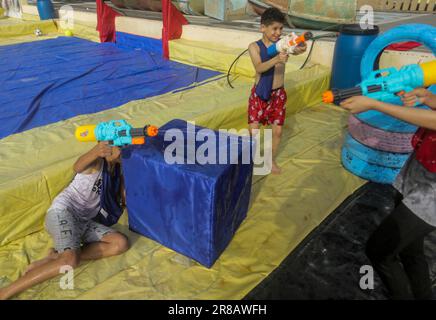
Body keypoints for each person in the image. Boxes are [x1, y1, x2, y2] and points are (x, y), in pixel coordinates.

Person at [0, 141, 129, 300]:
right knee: (69, 261)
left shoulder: (118, 171)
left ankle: (54, 257)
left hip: (83, 220)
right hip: (62, 212)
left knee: (120, 243)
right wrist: (96, 151)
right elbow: (78, 166)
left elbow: (124, 198)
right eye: (122, 146)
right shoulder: (96, 162)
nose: (125, 150)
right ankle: (6, 291)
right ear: (108, 147)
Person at [340, 88, 436, 299]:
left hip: (430, 196)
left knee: (379, 250)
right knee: (410, 250)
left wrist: (375, 104)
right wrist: (430, 99)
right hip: (416, 175)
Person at [247, 7, 307, 174]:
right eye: (274, 28)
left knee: (278, 131)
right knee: (254, 130)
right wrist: (276, 59)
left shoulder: (282, 45)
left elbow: (298, 49)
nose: (278, 32)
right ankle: (249, 159)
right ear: (262, 28)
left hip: (278, 94)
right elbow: (259, 67)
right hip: (259, 94)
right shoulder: (254, 47)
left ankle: (270, 160)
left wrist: (301, 45)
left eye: (280, 28)